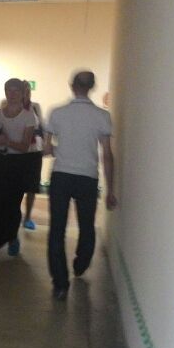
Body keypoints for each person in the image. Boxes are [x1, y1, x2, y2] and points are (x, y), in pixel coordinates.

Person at [44, 70, 117, 300]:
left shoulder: (57, 113)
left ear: (71, 85)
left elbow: (46, 148)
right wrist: (111, 190)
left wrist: (62, 150)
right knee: (87, 226)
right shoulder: (102, 116)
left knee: (57, 229)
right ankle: (80, 264)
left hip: (61, 176)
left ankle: (60, 284)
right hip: (88, 178)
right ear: (92, 87)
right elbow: (107, 155)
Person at [0, 78, 36, 270]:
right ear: (5, 92)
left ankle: (12, 236)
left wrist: (6, 141)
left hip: (17, 165)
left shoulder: (28, 116)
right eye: (9, 90)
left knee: (12, 206)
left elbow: (24, 146)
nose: (12, 94)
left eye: (16, 91)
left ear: (22, 93)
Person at [22, 81, 45, 230]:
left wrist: (46, 144)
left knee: (32, 185)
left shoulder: (35, 107)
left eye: (28, 91)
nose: (27, 94)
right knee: (15, 185)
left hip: (34, 150)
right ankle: (14, 214)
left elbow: (41, 126)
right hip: (17, 151)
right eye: (24, 91)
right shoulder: (11, 106)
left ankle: (28, 217)